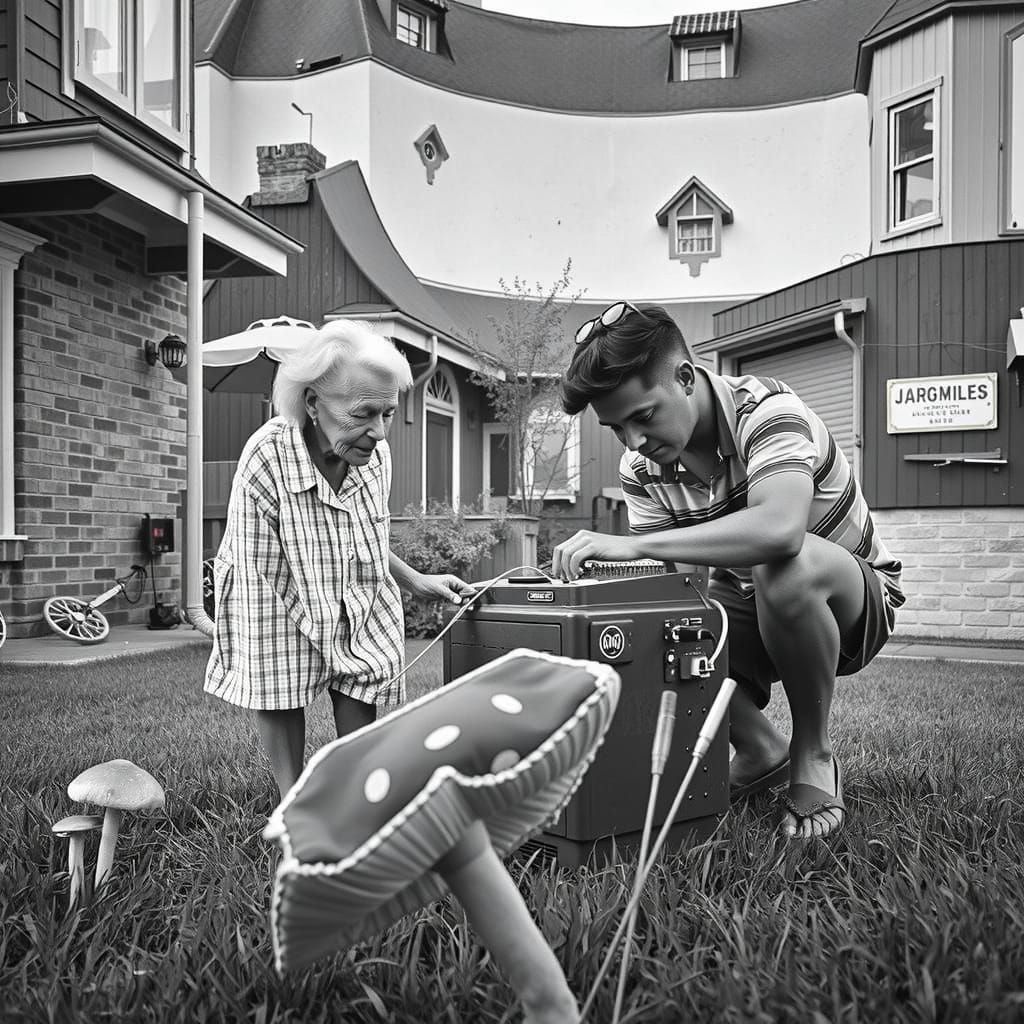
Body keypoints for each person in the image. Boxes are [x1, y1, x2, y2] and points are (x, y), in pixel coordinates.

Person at [552, 303, 904, 839]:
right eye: (616, 428)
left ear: (686, 377)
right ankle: (762, 748)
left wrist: (633, 544)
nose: (634, 442)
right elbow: (687, 589)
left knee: (784, 567)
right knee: (657, 624)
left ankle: (813, 754)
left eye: (643, 416)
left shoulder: (766, 408)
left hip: (851, 602)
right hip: (748, 603)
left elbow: (781, 530)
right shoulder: (641, 469)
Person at [204, 319, 476, 801]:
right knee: (281, 675)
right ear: (312, 403)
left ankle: (354, 791)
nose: (378, 431)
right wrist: (319, 627)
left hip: (345, 575)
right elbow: (258, 572)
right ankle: (293, 804)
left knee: (365, 664)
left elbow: (366, 537)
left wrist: (415, 580)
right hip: (271, 582)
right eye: (363, 414)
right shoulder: (267, 457)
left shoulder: (376, 457)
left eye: (388, 413)